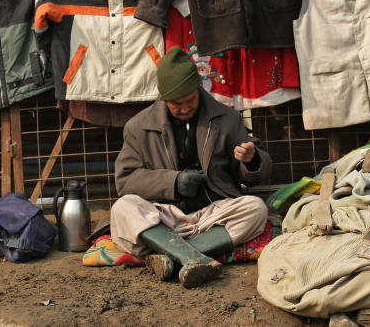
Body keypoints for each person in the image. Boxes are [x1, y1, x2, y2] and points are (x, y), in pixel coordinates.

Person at [110, 46, 272, 288]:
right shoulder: (138, 127)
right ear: (164, 98)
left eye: (190, 100)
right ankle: (193, 257)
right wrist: (173, 182)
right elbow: (125, 181)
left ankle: (173, 257)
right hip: (163, 216)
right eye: (176, 104)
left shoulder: (226, 118)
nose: (185, 108)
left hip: (212, 215)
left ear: (198, 89)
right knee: (122, 209)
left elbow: (257, 174)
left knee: (256, 208)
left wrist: (251, 159)